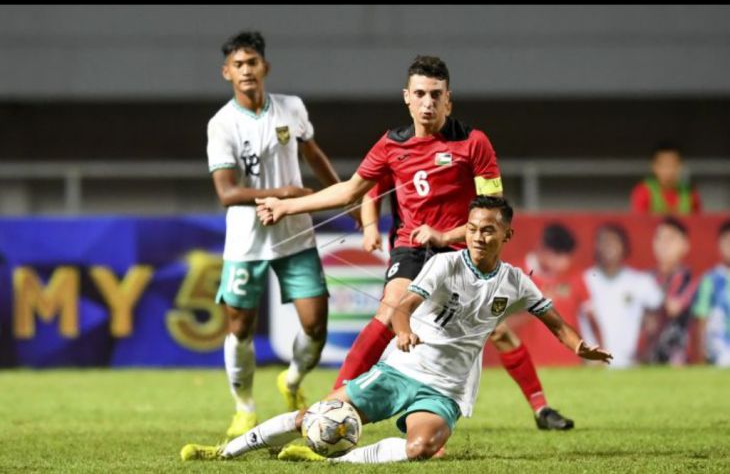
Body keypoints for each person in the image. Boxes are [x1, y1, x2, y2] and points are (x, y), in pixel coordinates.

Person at [258, 55, 574, 429]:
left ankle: (540, 408)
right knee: (391, 310)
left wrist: (448, 234)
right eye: (420, 94)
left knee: (498, 330)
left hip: (461, 247)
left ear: (448, 100)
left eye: (436, 95)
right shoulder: (392, 144)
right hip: (412, 246)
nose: (428, 103)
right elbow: (351, 191)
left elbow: (494, 211)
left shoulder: (474, 143)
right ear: (407, 97)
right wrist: (287, 206)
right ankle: (333, 407)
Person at [181, 197, 612, 464]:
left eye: (489, 231)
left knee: (421, 448)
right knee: (315, 416)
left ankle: (332, 463)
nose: (479, 236)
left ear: (507, 234)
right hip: (400, 370)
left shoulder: (516, 281)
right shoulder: (444, 263)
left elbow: (555, 322)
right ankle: (225, 451)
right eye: (474, 228)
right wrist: (403, 331)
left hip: (445, 391)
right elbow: (402, 307)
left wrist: (581, 346)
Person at [206, 31, 349, 438]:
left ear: (264, 67)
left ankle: (291, 382)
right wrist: (282, 192)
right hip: (246, 242)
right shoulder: (222, 124)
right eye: (238, 64)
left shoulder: (291, 108)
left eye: (252, 62)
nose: (246, 70)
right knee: (240, 328)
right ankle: (244, 407)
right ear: (226, 73)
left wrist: (341, 194)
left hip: (295, 235)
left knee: (316, 325)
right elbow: (226, 193)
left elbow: (313, 154)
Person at [583, 224, 664, 368]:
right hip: (592, 365)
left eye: (614, 241)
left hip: (628, 365)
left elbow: (658, 319)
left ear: (624, 246)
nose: (609, 246)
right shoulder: (584, 281)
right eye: (604, 241)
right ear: (596, 246)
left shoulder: (641, 282)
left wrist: (646, 353)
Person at [520, 223, 595, 366]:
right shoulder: (516, 274)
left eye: (567, 257)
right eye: (559, 256)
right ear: (542, 248)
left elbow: (590, 318)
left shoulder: (575, 276)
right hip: (530, 364)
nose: (564, 263)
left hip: (571, 365)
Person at [640, 217, 697, 365]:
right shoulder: (645, 279)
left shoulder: (691, 280)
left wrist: (654, 292)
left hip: (678, 359)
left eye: (670, 239)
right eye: (659, 238)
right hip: (647, 356)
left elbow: (674, 308)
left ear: (685, 245)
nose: (664, 244)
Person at [692, 219, 730, 366]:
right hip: (720, 352)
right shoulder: (710, 280)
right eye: (727, 241)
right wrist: (701, 358)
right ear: (720, 245)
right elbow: (702, 319)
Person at [630, 143, 702, 214]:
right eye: (664, 165)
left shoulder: (690, 192)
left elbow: (698, 222)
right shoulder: (643, 191)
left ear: (680, 166)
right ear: (654, 166)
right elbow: (639, 222)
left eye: (673, 165)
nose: (668, 171)